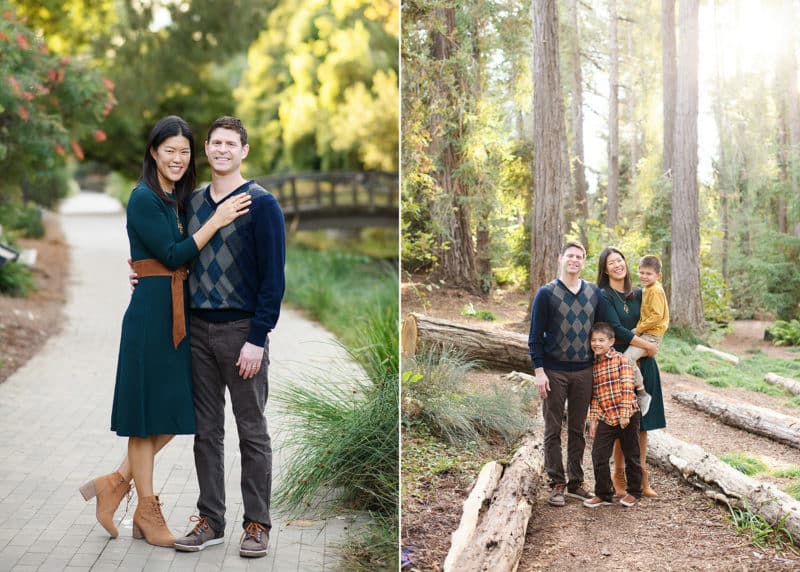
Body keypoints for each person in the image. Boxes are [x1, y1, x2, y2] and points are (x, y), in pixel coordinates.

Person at [79, 116, 251, 547]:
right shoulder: (142, 198)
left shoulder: (177, 199)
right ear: (153, 152)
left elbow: (173, 258)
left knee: (176, 415)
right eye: (169, 150)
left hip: (177, 314)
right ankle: (147, 511)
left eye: (184, 151)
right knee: (146, 420)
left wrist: (147, 267)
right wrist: (218, 219)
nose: (177, 158)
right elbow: (174, 254)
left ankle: (116, 482)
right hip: (150, 318)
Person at [172, 116, 285, 559]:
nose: (221, 150)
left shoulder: (263, 204)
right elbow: (177, 257)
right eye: (215, 143)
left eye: (230, 143)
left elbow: (274, 280)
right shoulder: (193, 202)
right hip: (198, 330)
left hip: (242, 333)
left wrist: (258, 338)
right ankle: (211, 521)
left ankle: (257, 524)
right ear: (206, 148)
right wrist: (141, 275)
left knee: (252, 431)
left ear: (244, 150)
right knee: (206, 432)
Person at [528, 241, 606, 507]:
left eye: (579, 256)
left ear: (583, 262)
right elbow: (535, 337)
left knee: (577, 428)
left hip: (584, 370)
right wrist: (539, 371)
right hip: (554, 370)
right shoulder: (546, 294)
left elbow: (603, 330)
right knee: (552, 429)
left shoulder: (594, 293)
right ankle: (556, 482)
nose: (574, 260)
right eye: (570, 255)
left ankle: (576, 480)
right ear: (561, 258)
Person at [596, 246, 664, 498]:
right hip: (619, 365)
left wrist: (651, 343)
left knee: (642, 424)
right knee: (619, 421)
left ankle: (642, 476)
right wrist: (647, 345)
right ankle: (619, 474)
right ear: (605, 268)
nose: (617, 264)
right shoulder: (603, 295)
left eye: (620, 259)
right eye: (611, 262)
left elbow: (654, 320)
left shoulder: (640, 292)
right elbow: (615, 328)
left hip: (644, 363)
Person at [583, 322, 642, 508]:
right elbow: (595, 396)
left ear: (611, 341)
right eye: (594, 340)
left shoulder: (621, 360)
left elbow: (627, 387)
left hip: (628, 416)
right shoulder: (594, 365)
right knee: (598, 455)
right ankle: (603, 493)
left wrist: (625, 414)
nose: (597, 344)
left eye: (601, 340)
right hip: (607, 418)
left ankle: (634, 492)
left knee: (631, 455)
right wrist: (593, 420)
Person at [624, 255, 670, 416]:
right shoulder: (647, 289)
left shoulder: (655, 290)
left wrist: (638, 329)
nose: (644, 276)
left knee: (626, 359)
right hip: (646, 333)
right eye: (641, 272)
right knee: (628, 358)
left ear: (658, 276)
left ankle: (642, 393)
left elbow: (656, 315)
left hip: (650, 335)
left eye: (648, 273)